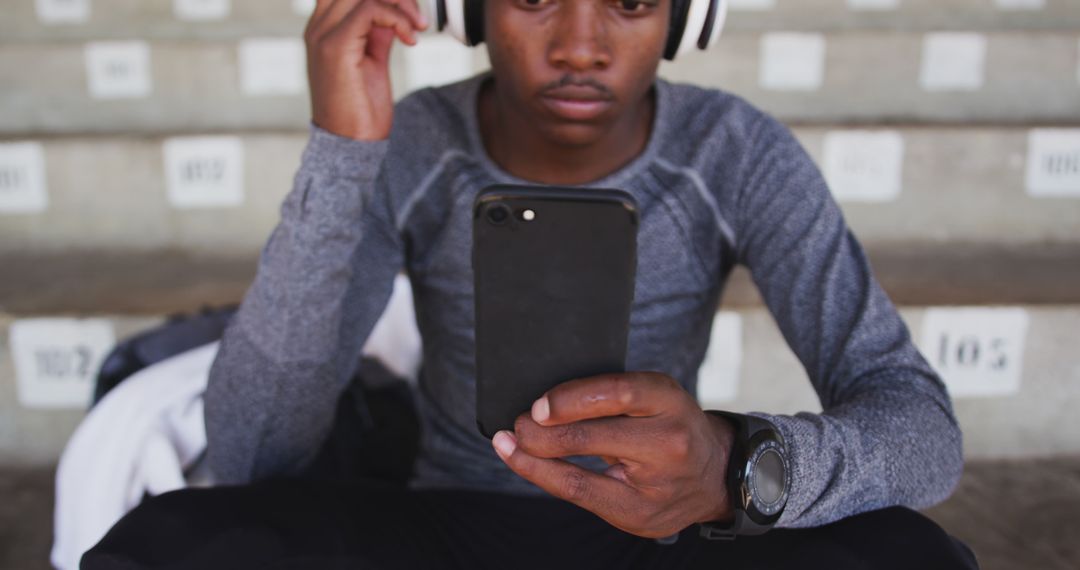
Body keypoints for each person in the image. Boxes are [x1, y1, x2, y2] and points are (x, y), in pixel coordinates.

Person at [83, 0, 978, 567]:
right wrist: (343, 151)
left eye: (628, 2)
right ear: (465, 10)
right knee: (168, 544)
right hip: (445, 524)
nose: (579, 46)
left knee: (913, 555)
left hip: (663, 534)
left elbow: (921, 429)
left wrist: (735, 469)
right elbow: (253, 456)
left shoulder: (735, 151)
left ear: (685, 17)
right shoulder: (415, 141)